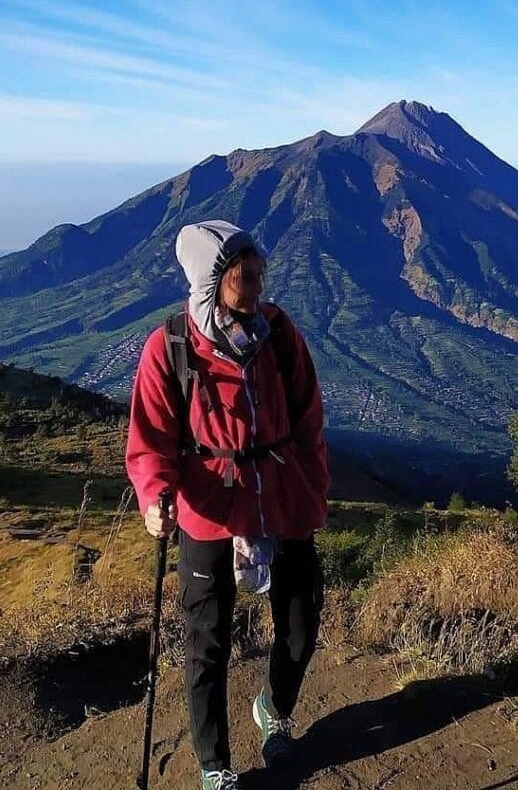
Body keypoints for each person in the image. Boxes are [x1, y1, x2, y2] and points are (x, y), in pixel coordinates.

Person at [126, 220, 330, 790]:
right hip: (209, 507)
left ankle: (273, 707)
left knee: (300, 622)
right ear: (212, 280)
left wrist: (313, 489)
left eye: (260, 271)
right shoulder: (170, 346)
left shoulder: (279, 334)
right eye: (247, 275)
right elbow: (151, 436)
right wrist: (154, 495)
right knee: (208, 640)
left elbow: (309, 416)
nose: (261, 285)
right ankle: (216, 763)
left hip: (282, 497)